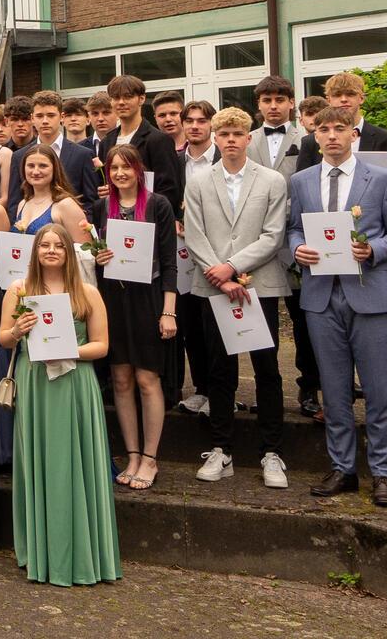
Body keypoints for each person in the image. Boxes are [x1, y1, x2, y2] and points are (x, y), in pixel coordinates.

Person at [287, 105, 387, 507]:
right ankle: (343, 467)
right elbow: (292, 229)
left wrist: (373, 249)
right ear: (316, 136)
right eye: (323, 129)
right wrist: (299, 250)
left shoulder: (382, 178)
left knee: (378, 389)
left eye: (339, 129)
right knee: (335, 389)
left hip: (371, 293)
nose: (331, 136)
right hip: (321, 295)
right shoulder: (302, 181)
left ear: (353, 134)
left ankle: (382, 473)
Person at [1, 223, 120, 586]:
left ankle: (83, 552)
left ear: (69, 252)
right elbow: (4, 339)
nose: (51, 251)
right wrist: (19, 330)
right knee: (41, 462)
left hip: (75, 384)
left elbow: (101, 346)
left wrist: (66, 350)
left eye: (59, 246)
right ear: (34, 252)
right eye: (44, 245)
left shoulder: (87, 293)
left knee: (75, 462)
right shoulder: (19, 290)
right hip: (35, 383)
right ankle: (41, 550)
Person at [184, 107, 292, 488]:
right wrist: (220, 273)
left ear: (249, 138)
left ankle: (271, 453)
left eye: (237, 134)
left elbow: (273, 234)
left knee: (267, 368)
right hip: (213, 286)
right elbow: (195, 234)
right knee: (219, 370)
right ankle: (221, 449)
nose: (230, 140)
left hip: (258, 285)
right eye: (223, 134)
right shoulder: (198, 181)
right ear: (214, 138)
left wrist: (231, 266)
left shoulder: (273, 180)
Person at [95, 144, 178, 492]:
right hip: (113, 300)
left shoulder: (158, 204)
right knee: (121, 380)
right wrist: (98, 256)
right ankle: (131, 454)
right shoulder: (101, 207)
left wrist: (168, 311)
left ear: (138, 169)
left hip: (149, 299)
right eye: (113, 168)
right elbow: (92, 254)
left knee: (147, 379)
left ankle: (150, 456)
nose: (119, 173)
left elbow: (170, 262)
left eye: (126, 167)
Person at [247, 74, 318, 417]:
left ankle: (310, 389)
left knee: (305, 322)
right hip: (256, 244)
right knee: (262, 325)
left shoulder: (309, 139)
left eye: (279, 100)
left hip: (296, 242)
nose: (273, 106)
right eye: (266, 100)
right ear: (258, 105)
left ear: (292, 103)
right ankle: (266, 390)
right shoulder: (244, 141)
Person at [171, 99, 222, 415]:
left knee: (218, 325)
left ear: (211, 125)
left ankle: (221, 392)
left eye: (201, 121)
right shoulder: (174, 161)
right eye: (189, 120)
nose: (194, 126)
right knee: (190, 323)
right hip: (182, 252)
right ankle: (202, 389)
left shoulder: (224, 159)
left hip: (219, 253)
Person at [100, 75, 185, 212]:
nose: (121, 102)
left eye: (127, 97)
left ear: (141, 99)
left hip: (150, 220)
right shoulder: (106, 142)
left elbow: (169, 190)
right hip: (115, 219)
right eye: (116, 98)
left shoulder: (159, 140)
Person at [13, 91, 101, 212]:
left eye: (50, 115)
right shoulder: (19, 156)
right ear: (32, 118)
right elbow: (14, 202)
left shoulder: (83, 154)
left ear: (61, 117)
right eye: (39, 116)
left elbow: (90, 202)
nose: (45, 121)